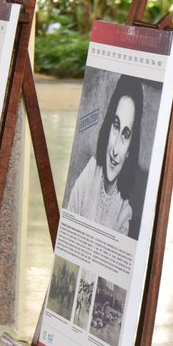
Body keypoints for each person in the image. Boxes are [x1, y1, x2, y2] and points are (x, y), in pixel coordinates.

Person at [66, 75, 143, 238]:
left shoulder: (124, 214)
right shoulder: (89, 174)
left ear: (130, 148)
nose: (115, 150)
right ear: (108, 127)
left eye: (126, 135)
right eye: (116, 126)